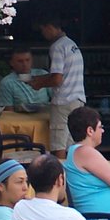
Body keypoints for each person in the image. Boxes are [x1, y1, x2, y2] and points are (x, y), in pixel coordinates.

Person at [29, 17, 85, 157]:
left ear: (49, 27)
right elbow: (61, 75)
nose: (43, 34)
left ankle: (58, 176)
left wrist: (39, 84)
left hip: (63, 101)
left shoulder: (57, 47)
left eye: (42, 30)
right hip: (77, 100)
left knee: (58, 143)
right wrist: (40, 79)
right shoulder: (71, 44)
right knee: (72, 143)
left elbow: (57, 79)